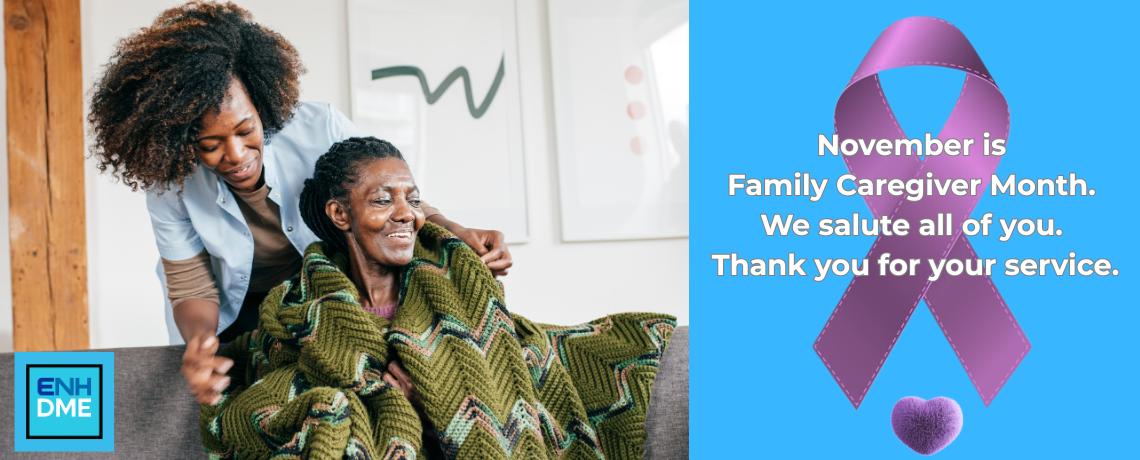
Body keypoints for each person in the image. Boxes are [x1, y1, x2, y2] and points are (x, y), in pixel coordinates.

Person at [85, 1, 511, 403]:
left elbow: (386, 193)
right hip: (239, 307)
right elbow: (190, 283)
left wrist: (454, 230)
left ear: (260, 102)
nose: (235, 155)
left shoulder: (319, 128)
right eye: (210, 145)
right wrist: (200, 343)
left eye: (245, 130)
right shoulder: (171, 182)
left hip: (321, 290)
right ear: (181, 142)